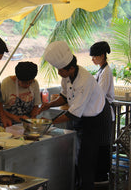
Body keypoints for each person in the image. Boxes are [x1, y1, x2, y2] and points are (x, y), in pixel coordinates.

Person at [38, 41, 112, 190]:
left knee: (86, 160)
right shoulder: (67, 76)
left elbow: (73, 115)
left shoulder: (84, 81)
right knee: (75, 158)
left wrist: (50, 122)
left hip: (95, 120)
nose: (59, 73)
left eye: (61, 70)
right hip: (81, 117)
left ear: (71, 68)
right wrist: (48, 105)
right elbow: (64, 97)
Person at [90, 41, 115, 184]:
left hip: (104, 110)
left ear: (101, 56)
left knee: (103, 144)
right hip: (101, 110)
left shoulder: (106, 72)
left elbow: (100, 93)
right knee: (99, 143)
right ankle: (98, 173)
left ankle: (102, 175)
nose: (92, 59)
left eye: (94, 56)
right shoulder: (101, 70)